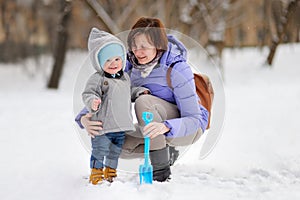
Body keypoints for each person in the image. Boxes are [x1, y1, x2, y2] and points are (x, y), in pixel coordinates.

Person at [75, 17, 209, 182]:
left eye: (144, 47)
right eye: (134, 46)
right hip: (153, 126)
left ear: (158, 45)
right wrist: (85, 118)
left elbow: (194, 119)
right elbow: (104, 92)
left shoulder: (177, 68)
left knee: (143, 101)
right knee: (114, 141)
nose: (138, 52)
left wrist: (166, 127)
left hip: (187, 127)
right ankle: (166, 152)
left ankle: (161, 173)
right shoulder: (130, 67)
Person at [82, 28, 137, 184]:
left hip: (120, 126)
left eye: (117, 59)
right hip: (102, 126)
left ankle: (110, 171)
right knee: (100, 150)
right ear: (99, 63)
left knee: (115, 151)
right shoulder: (98, 78)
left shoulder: (125, 77)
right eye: (107, 60)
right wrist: (92, 100)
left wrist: (140, 92)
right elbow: (88, 93)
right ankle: (96, 172)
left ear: (122, 59)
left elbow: (129, 92)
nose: (113, 64)